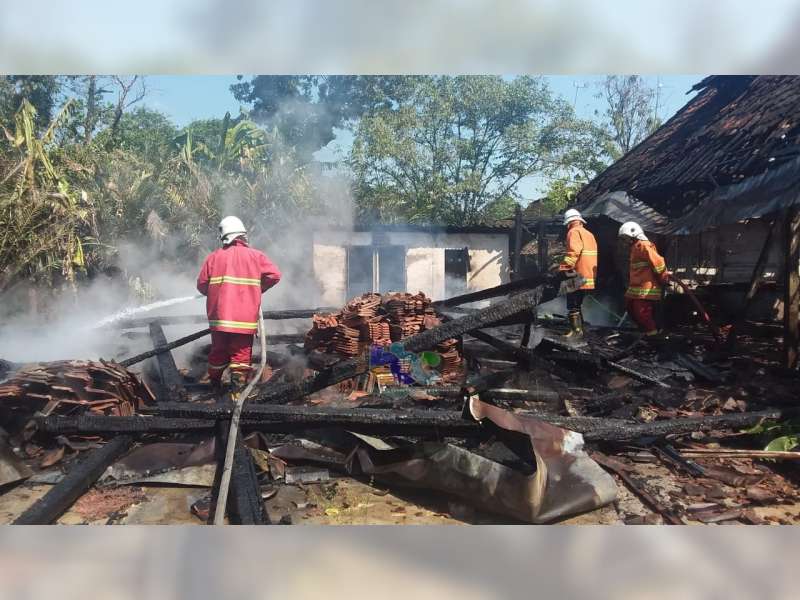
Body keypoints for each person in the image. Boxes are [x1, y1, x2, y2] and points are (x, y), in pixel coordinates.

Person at [197, 216, 282, 391]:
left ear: (224, 236)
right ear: (242, 235)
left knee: (218, 351)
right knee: (241, 355)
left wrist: (216, 294)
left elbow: (202, 285)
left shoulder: (214, 257)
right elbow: (275, 275)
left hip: (219, 319)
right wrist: (257, 290)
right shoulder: (256, 256)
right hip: (244, 319)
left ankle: (214, 385)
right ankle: (236, 393)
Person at [618, 221, 670, 337]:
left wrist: (663, 277)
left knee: (642, 312)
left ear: (634, 234)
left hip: (645, 288)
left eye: (626, 238)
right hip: (636, 288)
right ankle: (645, 331)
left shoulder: (644, 245)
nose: (625, 241)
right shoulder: (635, 248)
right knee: (629, 307)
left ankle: (653, 335)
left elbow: (659, 262)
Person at [555, 208, 598, 339]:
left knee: (572, 304)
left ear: (569, 222)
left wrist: (563, 268)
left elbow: (574, 252)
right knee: (577, 303)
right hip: (587, 275)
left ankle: (576, 333)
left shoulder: (573, 232)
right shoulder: (589, 234)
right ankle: (581, 329)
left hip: (576, 275)